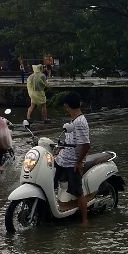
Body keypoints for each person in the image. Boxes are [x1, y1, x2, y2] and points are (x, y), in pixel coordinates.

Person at [54, 91, 90, 225]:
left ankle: (84, 221)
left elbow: (86, 145)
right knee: (51, 182)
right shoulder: (73, 120)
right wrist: (59, 149)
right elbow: (71, 141)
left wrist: (79, 162)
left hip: (72, 163)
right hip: (62, 159)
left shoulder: (80, 122)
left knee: (77, 192)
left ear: (66, 106)